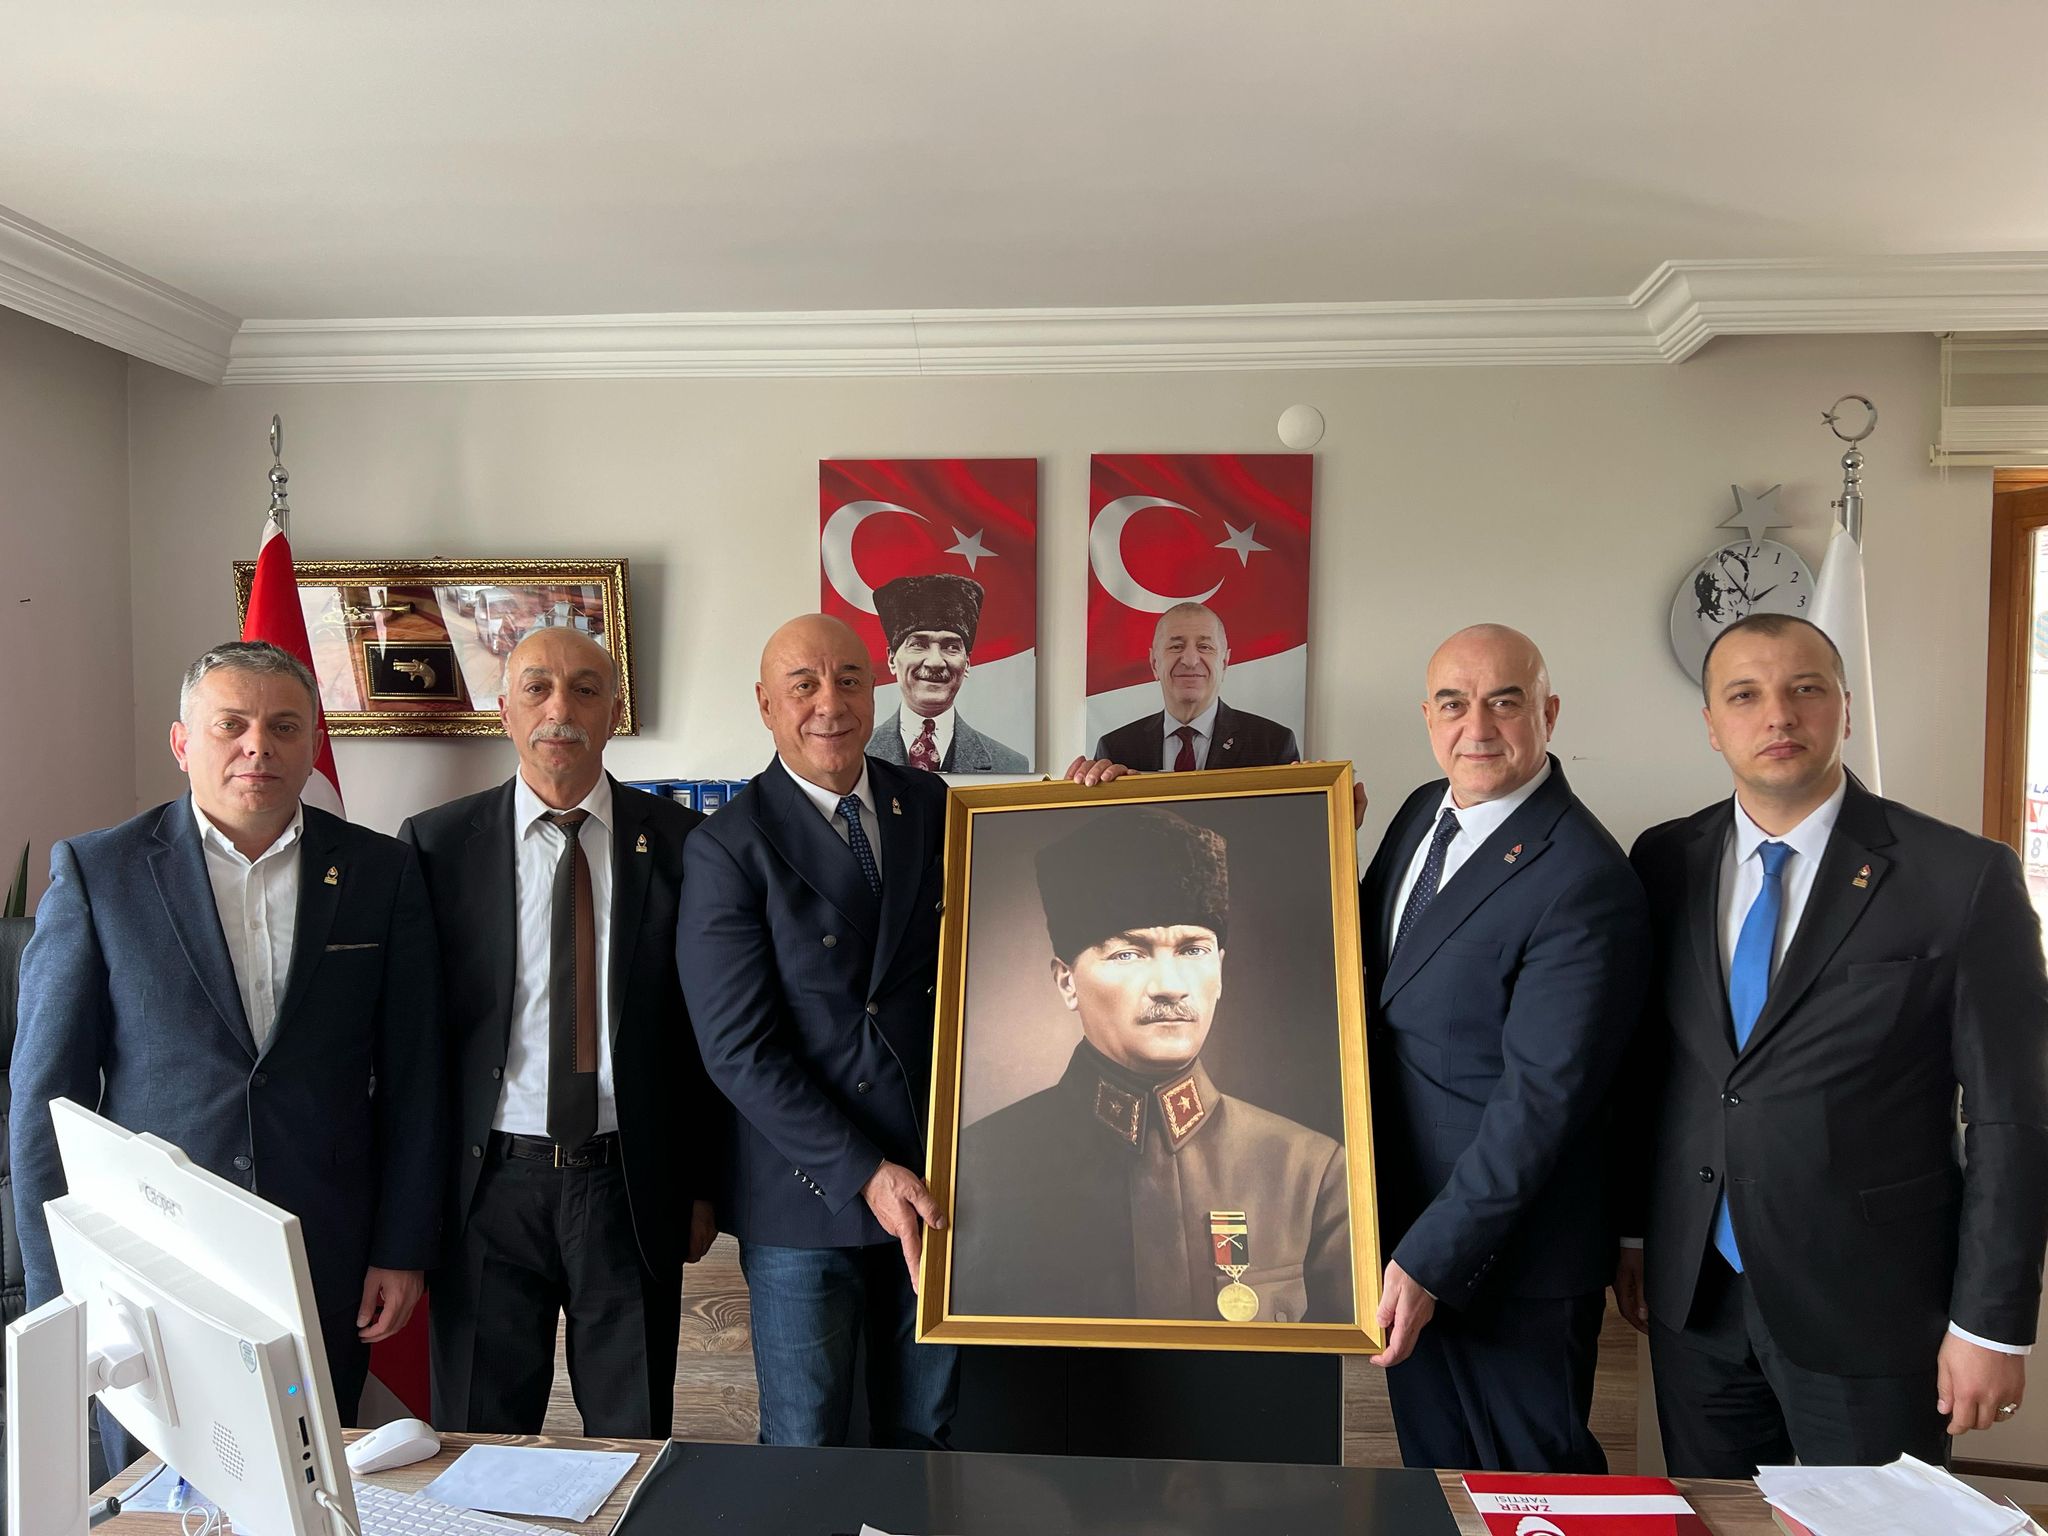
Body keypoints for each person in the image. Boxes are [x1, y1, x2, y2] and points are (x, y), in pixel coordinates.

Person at [1616, 612, 2048, 1474]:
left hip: (1873, 1307)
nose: (1778, 715)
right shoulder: (1663, 862)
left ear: (1846, 710)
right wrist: (1634, 1237)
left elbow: (2013, 1117)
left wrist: (1992, 1325)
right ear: (1711, 724)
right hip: (1697, 1299)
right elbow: (1651, 1071)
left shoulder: (1961, 877)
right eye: (1745, 695)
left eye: (1805, 689)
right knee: (1719, 1525)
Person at [681, 613, 1125, 1450]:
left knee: (925, 1433)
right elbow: (738, 1051)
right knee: (805, 1444)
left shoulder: (929, 803)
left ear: (875, 688)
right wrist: (863, 1173)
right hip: (805, 1197)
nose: (830, 703)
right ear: (766, 705)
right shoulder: (727, 847)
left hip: (935, 1180)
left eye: (849, 680)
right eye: (803, 686)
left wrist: (1107, 805)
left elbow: (1025, 891)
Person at [11, 640, 444, 1459]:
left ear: (313, 743)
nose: (258, 746)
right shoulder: (101, 873)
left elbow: (415, 1078)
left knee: (310, 1477)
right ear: (183, 742)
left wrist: (401, 1247)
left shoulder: (379, 872)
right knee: (153, 1494)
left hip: (321, 1254)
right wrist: (59, 1289)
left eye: (284, 726)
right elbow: (46, 1102)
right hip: (151, 1264)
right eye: (231, 724)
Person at [399, 625, 720, 1438]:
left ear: (614, 710)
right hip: (487, 1188)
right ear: (504, 709)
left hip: (628, 1185)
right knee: (475, 1437)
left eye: (584, 689)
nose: (560, 710)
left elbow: (704, 1036)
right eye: (537, 688)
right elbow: (411, 1047)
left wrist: (703, 1185)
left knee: (631, 1435)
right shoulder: (435, 845)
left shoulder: (686, 845)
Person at [1358, 623, 1648, 1473]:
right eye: (1454, 704)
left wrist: (1429, 1260)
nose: (1476, 726)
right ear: (1427, 716)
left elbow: (1540, 1106)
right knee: (1437, 1487)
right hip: (1405, 1238)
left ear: (1548, 715)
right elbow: (1366, 975)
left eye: (1505, 702)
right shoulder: (1422, 810)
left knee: (1535, 1501)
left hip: (1512, 1264)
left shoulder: (1584, 877)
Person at [951, 806, 1351, 1324]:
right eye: (1128, 954)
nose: (1169, 985)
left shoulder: (1311, 1171)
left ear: (1220, 971)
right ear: (1067, 981)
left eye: (1193, 950)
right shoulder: (978, 1166)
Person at [1093, 602, 1300, 771]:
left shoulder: (1273, 745)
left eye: (1204, 647)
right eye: (1176, 646)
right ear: (1154, 663)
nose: (1190, 660)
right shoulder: (1116, 750)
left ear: (1224, 663)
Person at [865, 573, 1027, 774]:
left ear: (967, 663)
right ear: (891, 659)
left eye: (951, 647)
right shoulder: (856, 758)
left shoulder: (1011, 765)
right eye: (918, 645)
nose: (935, 662)